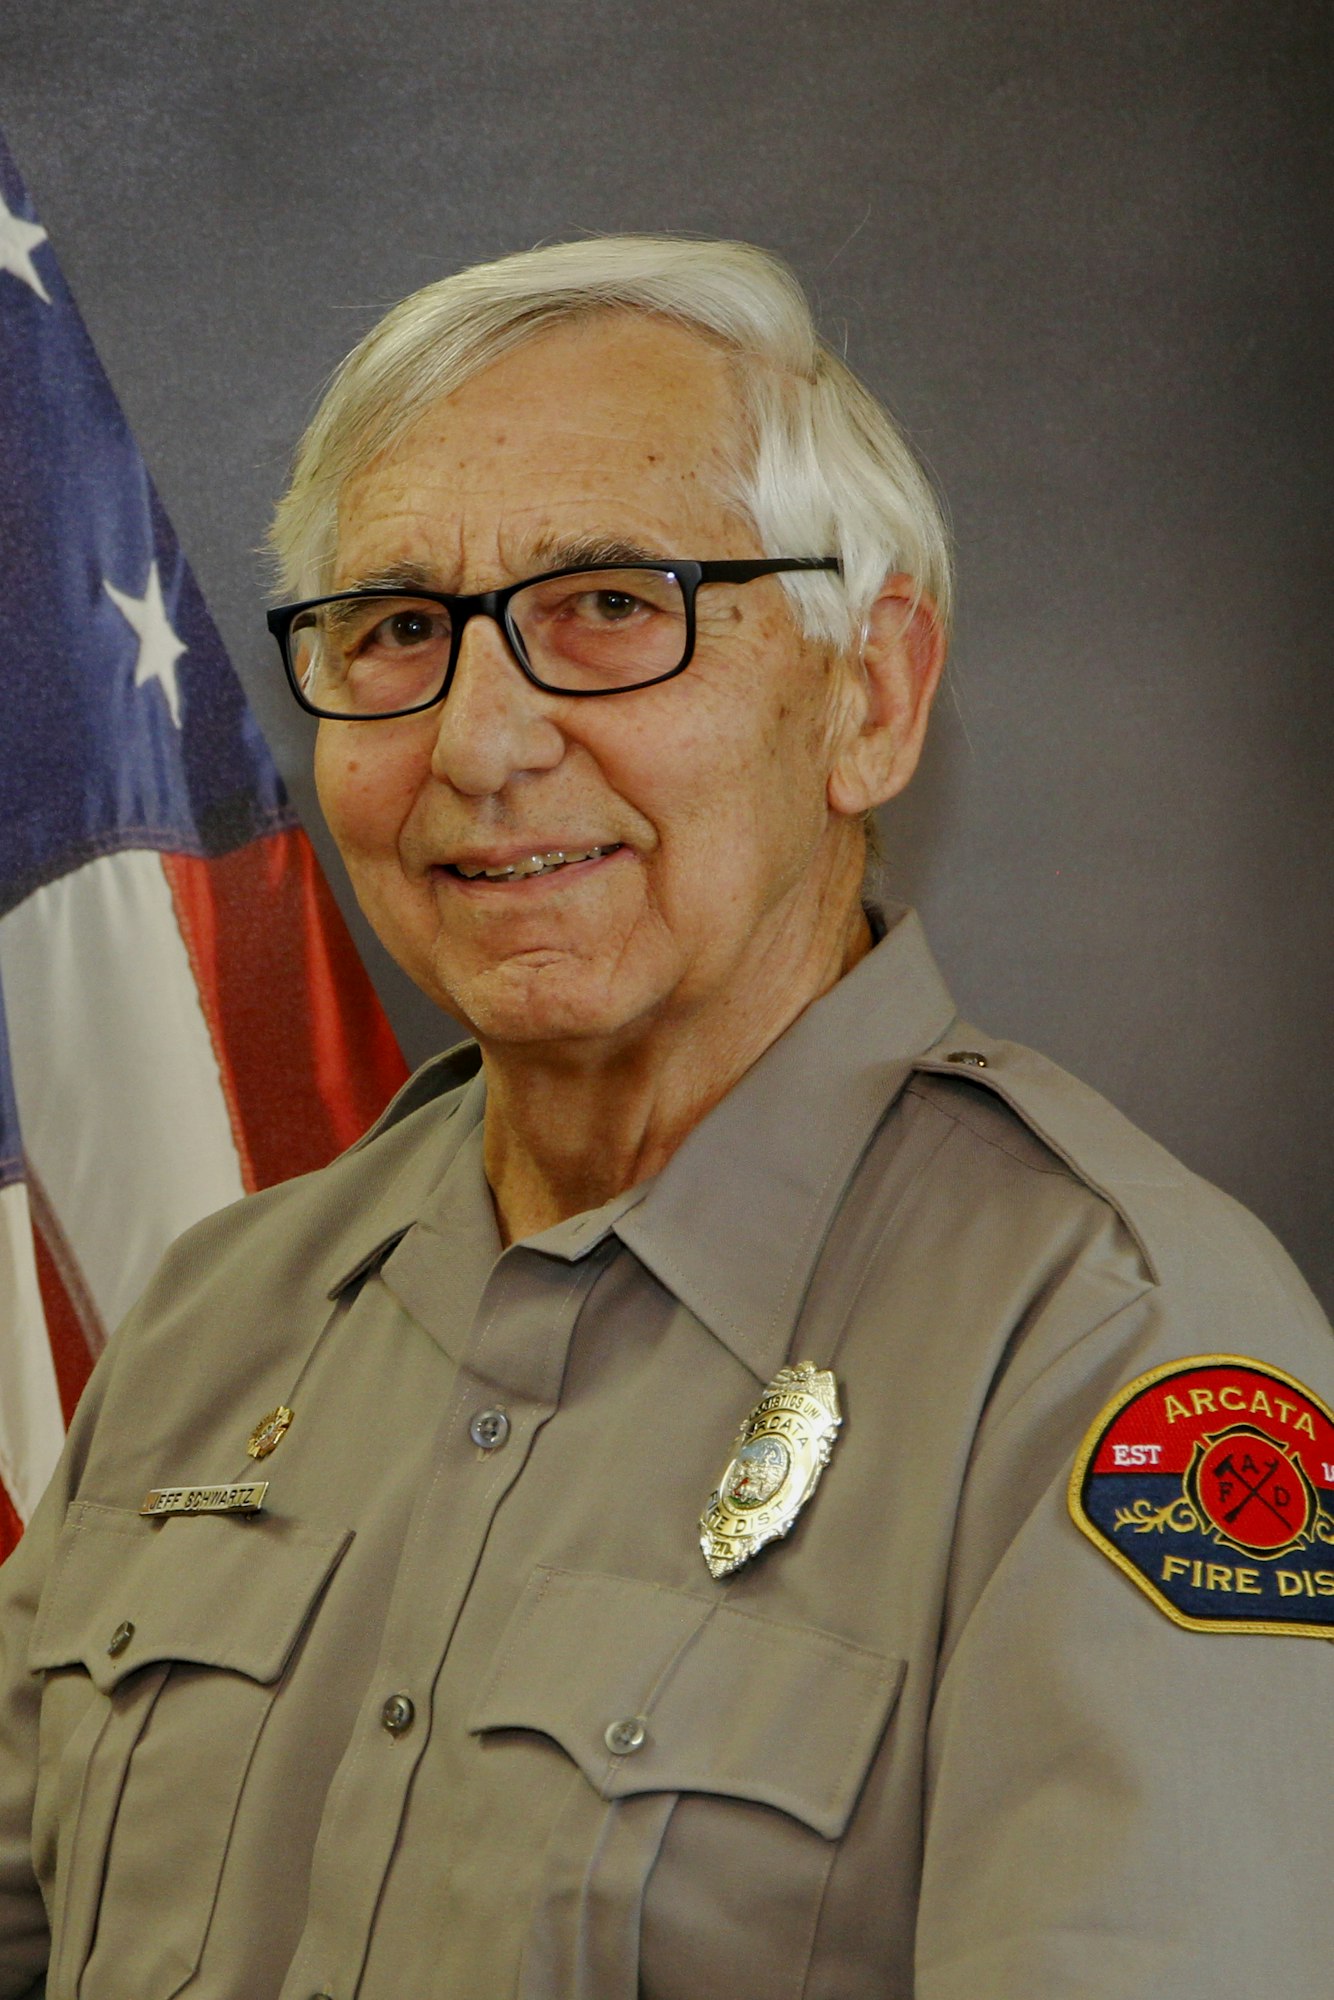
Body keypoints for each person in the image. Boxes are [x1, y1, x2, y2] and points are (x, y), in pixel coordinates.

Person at [1, 234, 1331, 2000]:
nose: (481, 741)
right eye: (397, 630)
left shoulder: (1107, 1350)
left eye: (611, 609)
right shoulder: (215, 1318)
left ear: (868, 692)